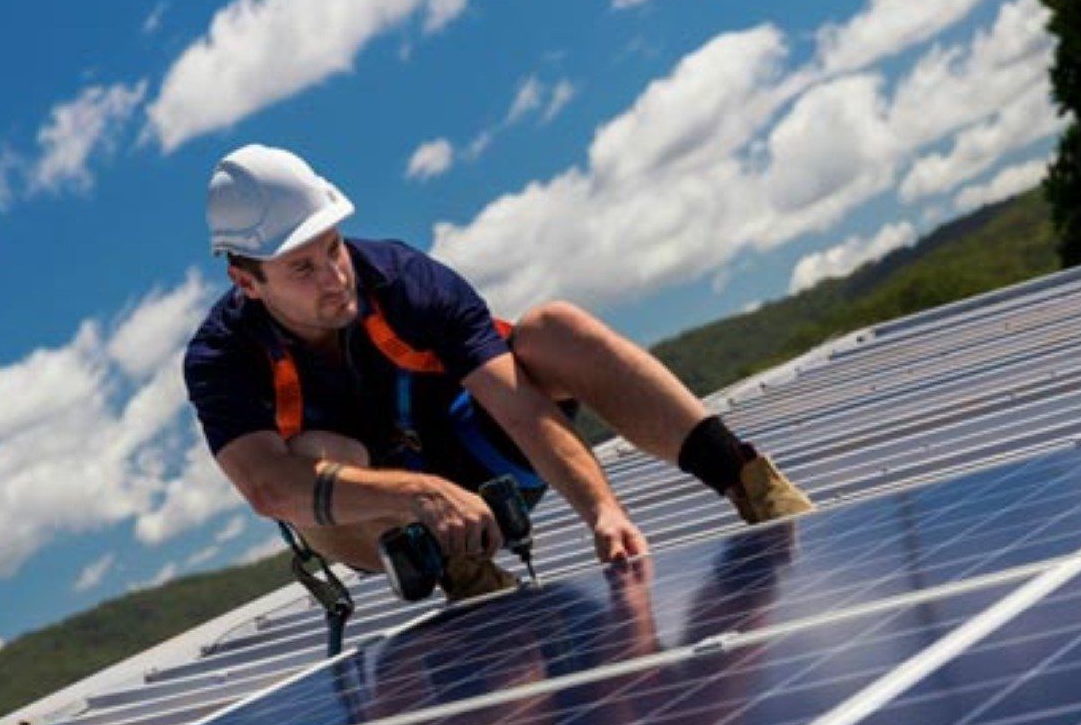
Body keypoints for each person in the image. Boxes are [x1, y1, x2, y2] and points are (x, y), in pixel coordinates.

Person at [183, 145, 814, 600]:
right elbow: (269, 489)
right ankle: (468, 575)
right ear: (247, 282)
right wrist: (419, 497)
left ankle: (746, 478)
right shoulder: (222, 360)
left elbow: (518, 406)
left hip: (488, 456)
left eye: (334, 249)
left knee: (555, 327)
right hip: (393, 519)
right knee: (316, 454)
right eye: (303, 269)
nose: (335, 277)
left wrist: (602, 512)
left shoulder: (403, 281)